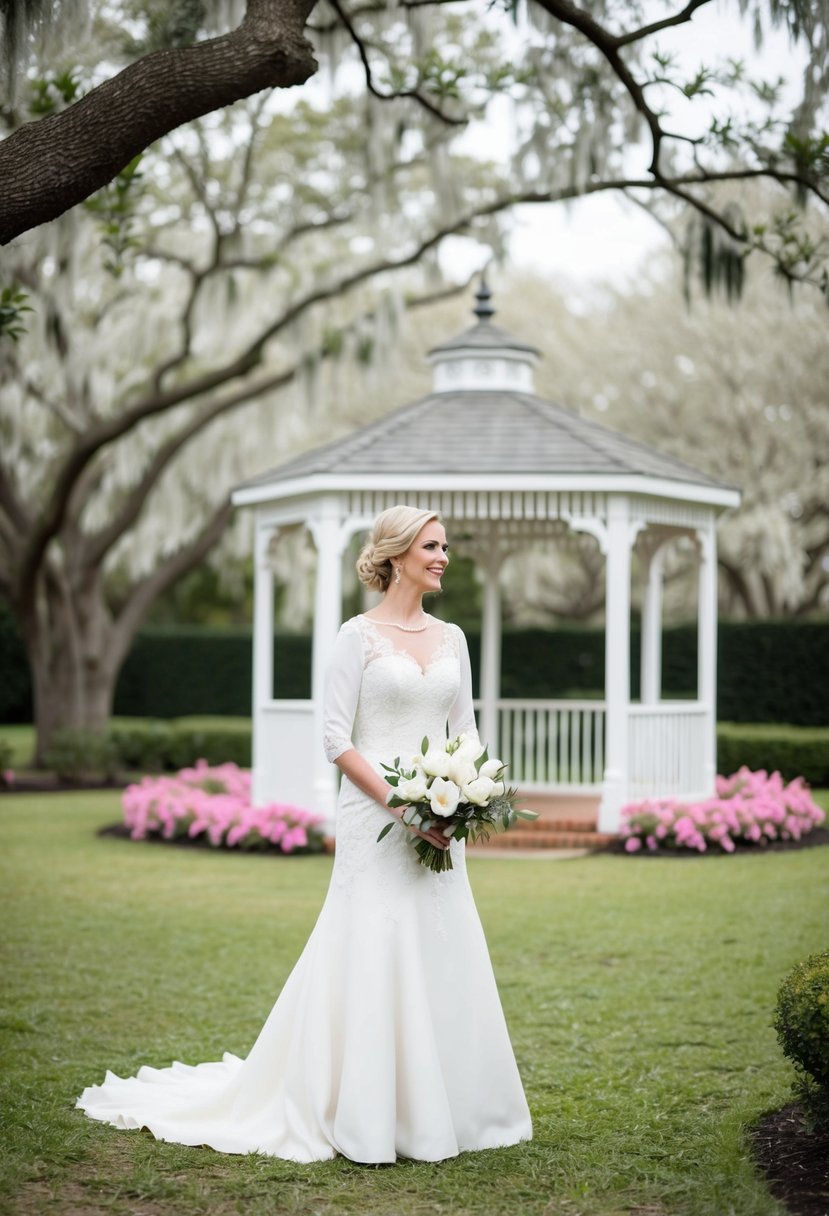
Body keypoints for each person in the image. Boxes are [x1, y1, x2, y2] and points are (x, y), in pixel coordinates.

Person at [77, 505, 532, 1163]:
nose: (444, 556)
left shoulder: (453, 637)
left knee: (440, 941)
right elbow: (334, 738)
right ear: (397, 554)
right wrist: (403, 809)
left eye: (445, 546)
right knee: (371, 945)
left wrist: (464, 799)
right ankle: (357, 1109)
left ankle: (449, 1110)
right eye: (431, 546)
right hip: (375, 819)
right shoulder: (357, 636)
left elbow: (467, 732)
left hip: (441, 817)